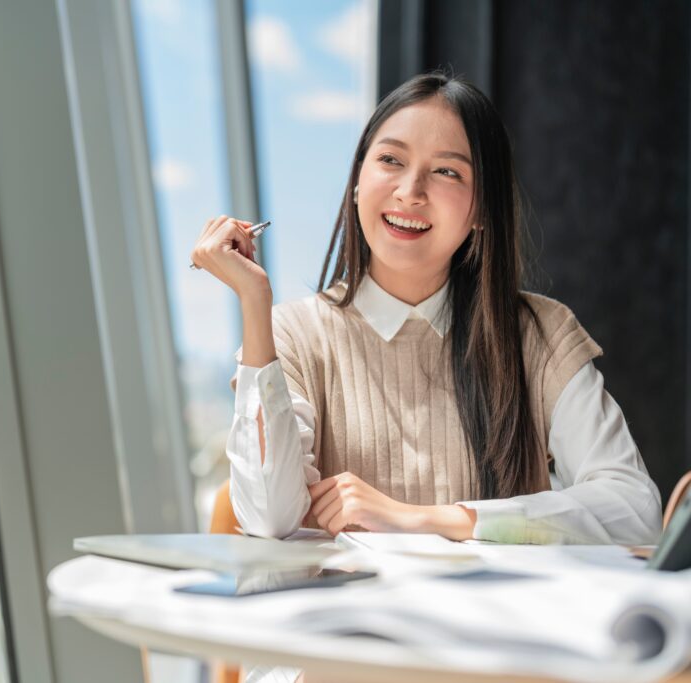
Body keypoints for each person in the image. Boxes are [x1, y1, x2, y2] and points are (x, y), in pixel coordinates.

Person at [189, 71, 662, 546]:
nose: (411, 191)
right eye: (391, 160)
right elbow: (270, 517)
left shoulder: (538, 333)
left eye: (447, 171)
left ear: (481, 209)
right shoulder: (294, 333)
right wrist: (255, 305)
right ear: (357, 181)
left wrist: (429, 518)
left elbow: (634, 508)